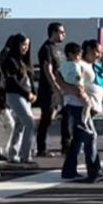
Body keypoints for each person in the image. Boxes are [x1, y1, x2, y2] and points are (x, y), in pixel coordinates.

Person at [60, 41, 101, 181]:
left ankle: (69, 170)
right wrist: (75, 90)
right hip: (77, 101)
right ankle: (93, 172)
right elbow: (60, 77)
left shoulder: (88, 65)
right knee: (91, 135)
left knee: (78, 139)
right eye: (96, 51)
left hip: (82, 101)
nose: (98, 54)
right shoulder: (76, 65)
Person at [0, 34, 38, 168]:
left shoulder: (25, 61)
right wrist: (27, 93)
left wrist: (33, 93)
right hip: (14, 94)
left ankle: (13, 154)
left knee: (20, 124)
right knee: (30, 122)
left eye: (27, 45)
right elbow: (12, 81)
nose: (25, 48)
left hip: (26, 95)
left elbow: (31, 80)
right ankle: (25, 156)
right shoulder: (10, 60)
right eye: (23, 44)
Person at [36, 22, 67, 157]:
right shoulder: (46, 49)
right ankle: (41, 148)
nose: (63, 34)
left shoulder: (58, 49)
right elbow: (47, 70)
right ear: (53, 32)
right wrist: (56, 87)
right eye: (61, 32)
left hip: (60, 88)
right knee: (46, 119)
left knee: (65, 116)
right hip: (48, 90)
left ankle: (65, 146)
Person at [0, 35, 16, 162]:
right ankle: (1, 148)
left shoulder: (9, 71)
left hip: (8, 101)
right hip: (1, 101)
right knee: (10, 124)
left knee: (3, 126)